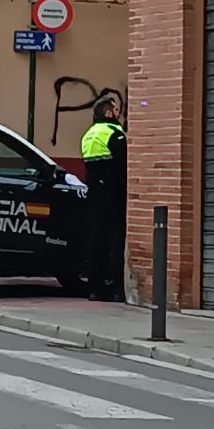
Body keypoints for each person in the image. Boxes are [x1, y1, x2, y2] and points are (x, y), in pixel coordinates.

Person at [79, 95, 128, 302]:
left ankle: (94, 288)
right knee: (116, 239)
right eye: (116, 110)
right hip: (114, 192)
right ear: (109, 113)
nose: (119, 113)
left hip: (94, 192)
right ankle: (116, 288)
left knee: (96, 239)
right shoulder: (114, 133)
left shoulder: (88, 135)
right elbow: (124, 162)